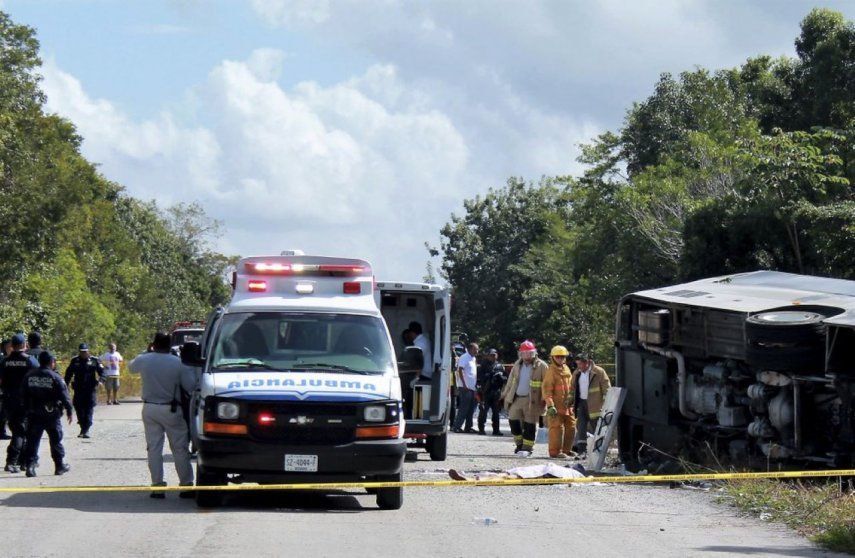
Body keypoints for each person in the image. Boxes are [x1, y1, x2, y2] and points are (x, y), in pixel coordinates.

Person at [128, 332, 195, 499]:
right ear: (170, 344)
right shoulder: (178, 363)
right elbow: (191, 386)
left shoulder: (144, 360)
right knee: (179, 448)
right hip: (171, 409)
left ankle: (157, 485)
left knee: (154, 448)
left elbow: (131, 367)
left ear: (153, 344)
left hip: (150, 408)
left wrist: (146, 351)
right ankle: (186, 485)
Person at [20, 351, 72, 477]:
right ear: (52, 362)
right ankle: (59, 466)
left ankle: (31, 467)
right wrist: (69, 410)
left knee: (32, 441)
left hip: (34, 413)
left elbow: (23, 394)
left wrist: (26, 410)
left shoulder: (29, 375)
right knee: (55, 440)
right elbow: (64, 395)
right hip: (51, 414)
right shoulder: (55, 376)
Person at [500, 340, 548, 457]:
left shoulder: (542, 366)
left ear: (533, 353)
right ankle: (519, 444)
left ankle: (527, 448)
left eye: (529, 353)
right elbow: (510, 382)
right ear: (520, 354)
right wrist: (504, 395)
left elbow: (547, 384)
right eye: (524, 353)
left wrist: (545, 400)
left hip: (532, 400)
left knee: (530, 425)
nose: (526, 355)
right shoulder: (517, 365)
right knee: (513, 421)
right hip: (516, 398)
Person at [0, 334, 38, 472]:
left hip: (9, 400)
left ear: (12, 345)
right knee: (21, 432)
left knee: (17, 429)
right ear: (24, 345)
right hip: (25, 401)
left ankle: (22, 461)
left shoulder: (5, 361)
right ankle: (12, 461)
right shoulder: (30, 361)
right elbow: (38, 378)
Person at [569, 352, 612, 455]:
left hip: (595, 405)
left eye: (581, 364)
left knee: (598, 429)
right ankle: (581, 452)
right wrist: (569, 401)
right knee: (581, 428)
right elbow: (572, 389)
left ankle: (601, 451)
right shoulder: (577, 373)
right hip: (581, 404)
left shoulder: (599, 372)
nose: (579, 366)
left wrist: (606, 403)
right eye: (577, 364)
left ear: (587, 362)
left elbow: (607, 387)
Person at [64, 343, 104, 438]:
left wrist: (101, 381)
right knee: (79, 409)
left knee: (89, 409)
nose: (83, 353)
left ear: (88, 351)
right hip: (78, 389)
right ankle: (82, 427)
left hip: (90, 389)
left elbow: (103, 372)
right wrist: (65, 384)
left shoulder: (94, 360)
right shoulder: (75, 361)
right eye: (82, 352)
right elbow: (68, 373)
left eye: (85, 351)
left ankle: (86, 430)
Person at [542, 345, 576, 458]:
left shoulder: (566, 369)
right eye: (558, 357)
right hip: (556, 407)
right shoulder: (551, 371)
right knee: (556, 429)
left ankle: (566, 450)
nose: (560, 359)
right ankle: (555, 452)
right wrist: (550, 405)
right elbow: (547, 390)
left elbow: (571, 386)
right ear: (553, 357)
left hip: (568, 406)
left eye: (562, 357)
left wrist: (572, 397)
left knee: (571, 427)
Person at [477, 349, 506, 436]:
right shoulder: (484, 365)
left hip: (496, 391)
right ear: (488, 356)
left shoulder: (500, 366)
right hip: (486, 391)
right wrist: (490, 374)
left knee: (496, 413)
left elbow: (506, 378)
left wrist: (501, 378)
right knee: (483, 411)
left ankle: (496, 430)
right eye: (491, 355)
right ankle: (481, 429)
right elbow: (479, 377)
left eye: (494, 355)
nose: (493, 356)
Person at [452, 342, 479, 433]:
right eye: (476, 349)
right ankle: (457, 426)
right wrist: (464, 384)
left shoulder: (473, 358)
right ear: (471, 349)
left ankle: (468, 427)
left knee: (471, 408)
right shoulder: (464, 357)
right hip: (465, 387)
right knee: (464, 408)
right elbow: (460, 370)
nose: (477, 351)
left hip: (472, 388)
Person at [0, 339, 11, 440]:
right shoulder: (3, 359)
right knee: (2, 412)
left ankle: (2, 431)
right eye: (9, 346)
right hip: (3, 389)